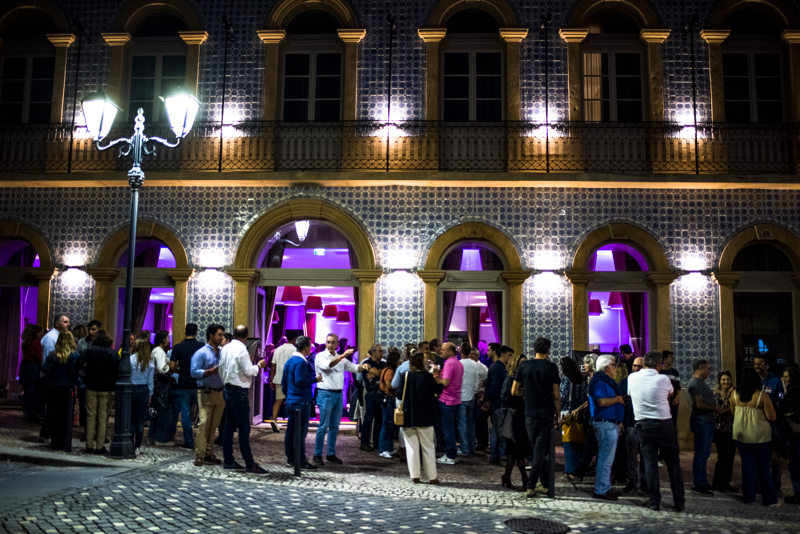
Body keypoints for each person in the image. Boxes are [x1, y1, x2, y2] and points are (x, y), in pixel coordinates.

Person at [627, 351, 686, 512]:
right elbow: (671, 393)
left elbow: (631, 395)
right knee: (673, 463)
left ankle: (654, 501)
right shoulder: (663, 379)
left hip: (642, 425)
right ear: (659, 364)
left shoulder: (632, 378)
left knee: (650, 463)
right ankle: (679, 502)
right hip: (663, 424)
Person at [512, 337, 561, 498]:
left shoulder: (524, 365)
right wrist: (558, 413)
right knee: (539, 451)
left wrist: (528, 394)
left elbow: (514, 391)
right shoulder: (551, 367)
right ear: (548, 350)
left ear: (534, 349)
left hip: (529, 414)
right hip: (546, 413)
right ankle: (531, 486)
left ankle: (545, 484)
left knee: (537, 450)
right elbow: (556, 395)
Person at [219, 325, 267, 474]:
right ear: (246, 336)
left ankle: (228, 460)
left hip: (227, 389)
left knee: (228, 427)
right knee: (244, 429)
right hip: (238, 392)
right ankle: (249, 463)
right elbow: (248, 370)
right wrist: (259, 366)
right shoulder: (242, 349)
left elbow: (220, 367)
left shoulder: (225, 347)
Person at [730, 369, 780, 506]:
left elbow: (733, 413)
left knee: (747, 466)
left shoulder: (734, 394)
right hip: (760, 437)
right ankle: (769, 499)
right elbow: (772, 416)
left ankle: (749, 497)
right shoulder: (762, 396)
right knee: (763, 467)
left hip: (740, 436)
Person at [313, 333, 363, 465]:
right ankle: (317, 454)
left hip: (338, 395)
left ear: (337, 344)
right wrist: (342, 355)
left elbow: (353, 367)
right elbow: (327, 365)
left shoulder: (340, 358)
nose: (330, 345)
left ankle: (330, 453)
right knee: (323, 426)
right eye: (328, 342)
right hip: (325, 393)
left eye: (332, 342)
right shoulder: (320, 356)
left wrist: (363, 367)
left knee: (335, 426)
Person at [400, 350, 442, 484]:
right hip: (425, 415)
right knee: (428, 446)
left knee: (412, 448)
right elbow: (438, 390)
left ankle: (415, 476)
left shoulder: (406, 375)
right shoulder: (427, 377)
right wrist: (436, 375)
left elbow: (399, 393)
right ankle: (432, 477)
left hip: (409, 415)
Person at [587, 354, 624, 501]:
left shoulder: (606, 381)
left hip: (610, 423)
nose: (616, 367)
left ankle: (605, 487)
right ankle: (601, 489)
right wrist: (617, 399)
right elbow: (601, 402)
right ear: (606, 366)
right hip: (604, 423)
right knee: (605, 458)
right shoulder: (599, 381)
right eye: (614, 364)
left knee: (608, 459)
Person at [73, 330, 117, 454]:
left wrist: (86, 368)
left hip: (91, 386)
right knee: (103, 418)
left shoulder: (90, 351)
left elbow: (78, 363)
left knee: (90, 416)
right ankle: (100, 445)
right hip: (106, 388)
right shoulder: (112, 353)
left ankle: (89, 445)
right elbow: (118, 370)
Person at [282, 335, 320, 470]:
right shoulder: (301, 363)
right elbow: (300, 381)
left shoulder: (290, 361)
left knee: (290, 432)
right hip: (301, 402)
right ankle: (300, 460)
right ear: (306, 348)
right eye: (310, 346)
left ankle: (290, 458)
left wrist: (289, 395)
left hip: (291, 401)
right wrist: (314, 379)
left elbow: (284, 382)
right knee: (300, 433)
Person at [190, 324, 225, 467]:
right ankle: (200, 454)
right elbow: (193, 372)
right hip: (205, 391)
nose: (222, 337)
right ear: (211, 335)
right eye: (219, 335)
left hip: (220, 393)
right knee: (204, 424)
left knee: (214, 425)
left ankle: (209, 453)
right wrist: (211, 371)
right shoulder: (201, 353)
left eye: (223, 335)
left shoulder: (222, 352)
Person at [688, 358, 721, 495]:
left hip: (706, 421)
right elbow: (698, 404)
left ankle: (702, 481)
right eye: (707, 369)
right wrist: (716, 409)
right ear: (700, 368)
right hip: (702, 421)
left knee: (704, 453)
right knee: (701, 454)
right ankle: (699, 483)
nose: (709, 371)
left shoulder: (700, 383)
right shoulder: (695, 384)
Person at [753, 354, 786, 495]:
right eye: (755, 364)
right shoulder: (752, 380)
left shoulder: (775, 382)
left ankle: (775, 487)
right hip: (757, 426)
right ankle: (758, 485)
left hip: (773, 426)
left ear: (766, 365)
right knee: (759, 458)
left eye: (760, 364)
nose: (757, 367)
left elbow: (781, 402)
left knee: (774, 459)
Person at [41, 331, 79, 451]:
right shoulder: (74, 355)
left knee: (54, 415)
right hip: (68, 389)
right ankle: (65, 442)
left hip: (53, 386)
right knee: (66, 416)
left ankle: (55, 442)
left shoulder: (53, 355)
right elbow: (74, 373)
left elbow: (46, 369)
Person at [500, 352, 532, 491]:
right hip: (514, 417)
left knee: (514, 451)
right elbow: (505, 398)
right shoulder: (510, 380)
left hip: (523, 416)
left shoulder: (526, 379)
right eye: (521, 363)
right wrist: (520, 394)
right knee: (517, 449)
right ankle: (525, 478)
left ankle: (507, 476)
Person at [170, 324, 204, 449]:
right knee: (203, 413)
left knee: (185, 413)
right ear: (196, 332)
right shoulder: (201, 346)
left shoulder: (178, 347)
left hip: (184, 383)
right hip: (198, 383)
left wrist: (181, 370)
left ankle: (189, 442)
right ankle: (202, 441)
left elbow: (172, 366)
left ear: (185, 332)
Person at [571, 354, 600, 483]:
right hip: (591, 415)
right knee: (591, 446)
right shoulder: (590, 378)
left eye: (586, 363)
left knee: (590, 446)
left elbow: (592, 399)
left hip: (596, 416)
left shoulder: (596, 379)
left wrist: (579, 409)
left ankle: (579, 473)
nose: (584, 366)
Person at [618, 357, 645, 493]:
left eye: (639, 366)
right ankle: (632, 481)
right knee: (631, 454)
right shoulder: (625, 382)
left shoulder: (648, 382)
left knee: (646, 454)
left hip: (645, 422)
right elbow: (620, 402)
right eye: (634, 366)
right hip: (630, 422)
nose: (635, 369)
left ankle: (645, 481)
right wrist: (621, 421)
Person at [434, 342, 463, 465]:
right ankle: (452, 453)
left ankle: (450, 455)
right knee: (451, 428)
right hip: (456, 399)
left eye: (444, 350)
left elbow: (445, 383)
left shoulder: (449, 363)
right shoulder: (458, 363)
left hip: (447, 400)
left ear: (451, 351)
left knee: (448, 429)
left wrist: (435, 376)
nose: (441, 352)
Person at [559, 356, 588, 478]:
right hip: (579, 414)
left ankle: (570, 471)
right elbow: (585, 398)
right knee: (578, 444)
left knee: (569, 444)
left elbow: (562, 397)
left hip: (568, 415)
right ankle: (577, 469)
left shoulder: (566, 380)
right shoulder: (582, 380)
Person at [457, 347, 488, 456]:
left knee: (463, 423)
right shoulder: (478, 366)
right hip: (472, 397)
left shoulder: (459, 364)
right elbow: (487, 379)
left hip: (461, 397)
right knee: (470, 422)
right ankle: (471, 447)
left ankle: (464, 448)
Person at [777, 366, 800, 504]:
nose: (784, 379)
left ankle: (798, 493)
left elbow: (782, 406)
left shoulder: (795, 390)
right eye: (783, 376)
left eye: (787, 377)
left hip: (795, 430)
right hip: (794, 430)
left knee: (796, 462)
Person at [711, 370, 737, 493]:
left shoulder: (734, 394)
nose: (726, 382)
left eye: (728, 379)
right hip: (720, 428)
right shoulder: (716, 394)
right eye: (723, 380)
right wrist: (730, 409)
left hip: (732, 429)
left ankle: (726, 482)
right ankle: (717, 482)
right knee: (723, 456)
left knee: (731, 456)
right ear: (719, 381)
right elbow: (717, 410)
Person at [486, 345, 512, 464]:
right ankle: (499, 455)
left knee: (496, 430)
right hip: (499, 404)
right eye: (509, 355)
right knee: (499, 431)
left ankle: (495, 455)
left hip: (496, 403)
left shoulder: (495, 367)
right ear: (503, 354)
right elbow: (495, 387)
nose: (510, 358)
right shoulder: (499, 368)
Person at [148, 330, 175, 446]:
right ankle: (161, 438)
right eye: (167, 338)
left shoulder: (155, 351)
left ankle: (153, 436)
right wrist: (171, 369)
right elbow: (160, 368)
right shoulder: (159, 351)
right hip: (162, 384)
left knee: (156, 411)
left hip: (157, 384)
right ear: (163, 339)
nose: (169, 340)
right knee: (164, 411)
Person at [359, 344, 386, 452]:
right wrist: (380, 374)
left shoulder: (383, 363)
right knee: (369, 418)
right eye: (379, 351)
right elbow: (378, 373)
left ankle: (377, 442)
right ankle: (364, 443)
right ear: (373, 352)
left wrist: (378, 373)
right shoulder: (367, 363)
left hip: (381, 393)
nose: (381, 353)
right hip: (371, 393)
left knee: (379, 419)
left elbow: (385, 373)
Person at [270, 331, 298, 433]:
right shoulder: (295, 350)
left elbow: (273, 365)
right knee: (291, 401)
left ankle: (274, 419)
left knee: (278, 401)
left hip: (278, 379)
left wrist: (271, 379)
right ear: (295, 339)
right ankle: (292, 422)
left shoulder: (277, 350)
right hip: (291, 380)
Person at [130, 338, 154, 455]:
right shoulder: (150, 362)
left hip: (131, 389)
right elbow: (150, 382)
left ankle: (129, 443)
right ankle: (137, 447)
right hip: (144, 389)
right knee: (140, 421)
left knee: (130, 419)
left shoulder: (130, 359)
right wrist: (150, 394)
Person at [378, 350, 402, 459]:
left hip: (389, 399)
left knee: (389, 423)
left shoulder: (390, 370)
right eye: (398, 359)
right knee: (386, 423)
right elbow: (389, 385)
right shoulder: (389, 371)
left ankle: (389, 447)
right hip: (387, 399)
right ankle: (384, 449)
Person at [19, 324, 44, 423]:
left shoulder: (26, 342)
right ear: (35, 333)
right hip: (34, 367)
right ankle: (32, 413)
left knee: (28, 389)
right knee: (34, 390)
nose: (42, 334)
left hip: (26, 366)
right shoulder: (36, 342)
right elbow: (39, 356)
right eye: (40, 332)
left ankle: (26, 410)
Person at [661, 350, 681, 429]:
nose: (672, 359)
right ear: (664, 359)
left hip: (672, 401)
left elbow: (678, 387)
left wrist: (677, 397)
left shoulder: (675, 372)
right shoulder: (660, 372)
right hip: (662, 401)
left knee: (673, 422)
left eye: (673, 357)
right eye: (670, 357)